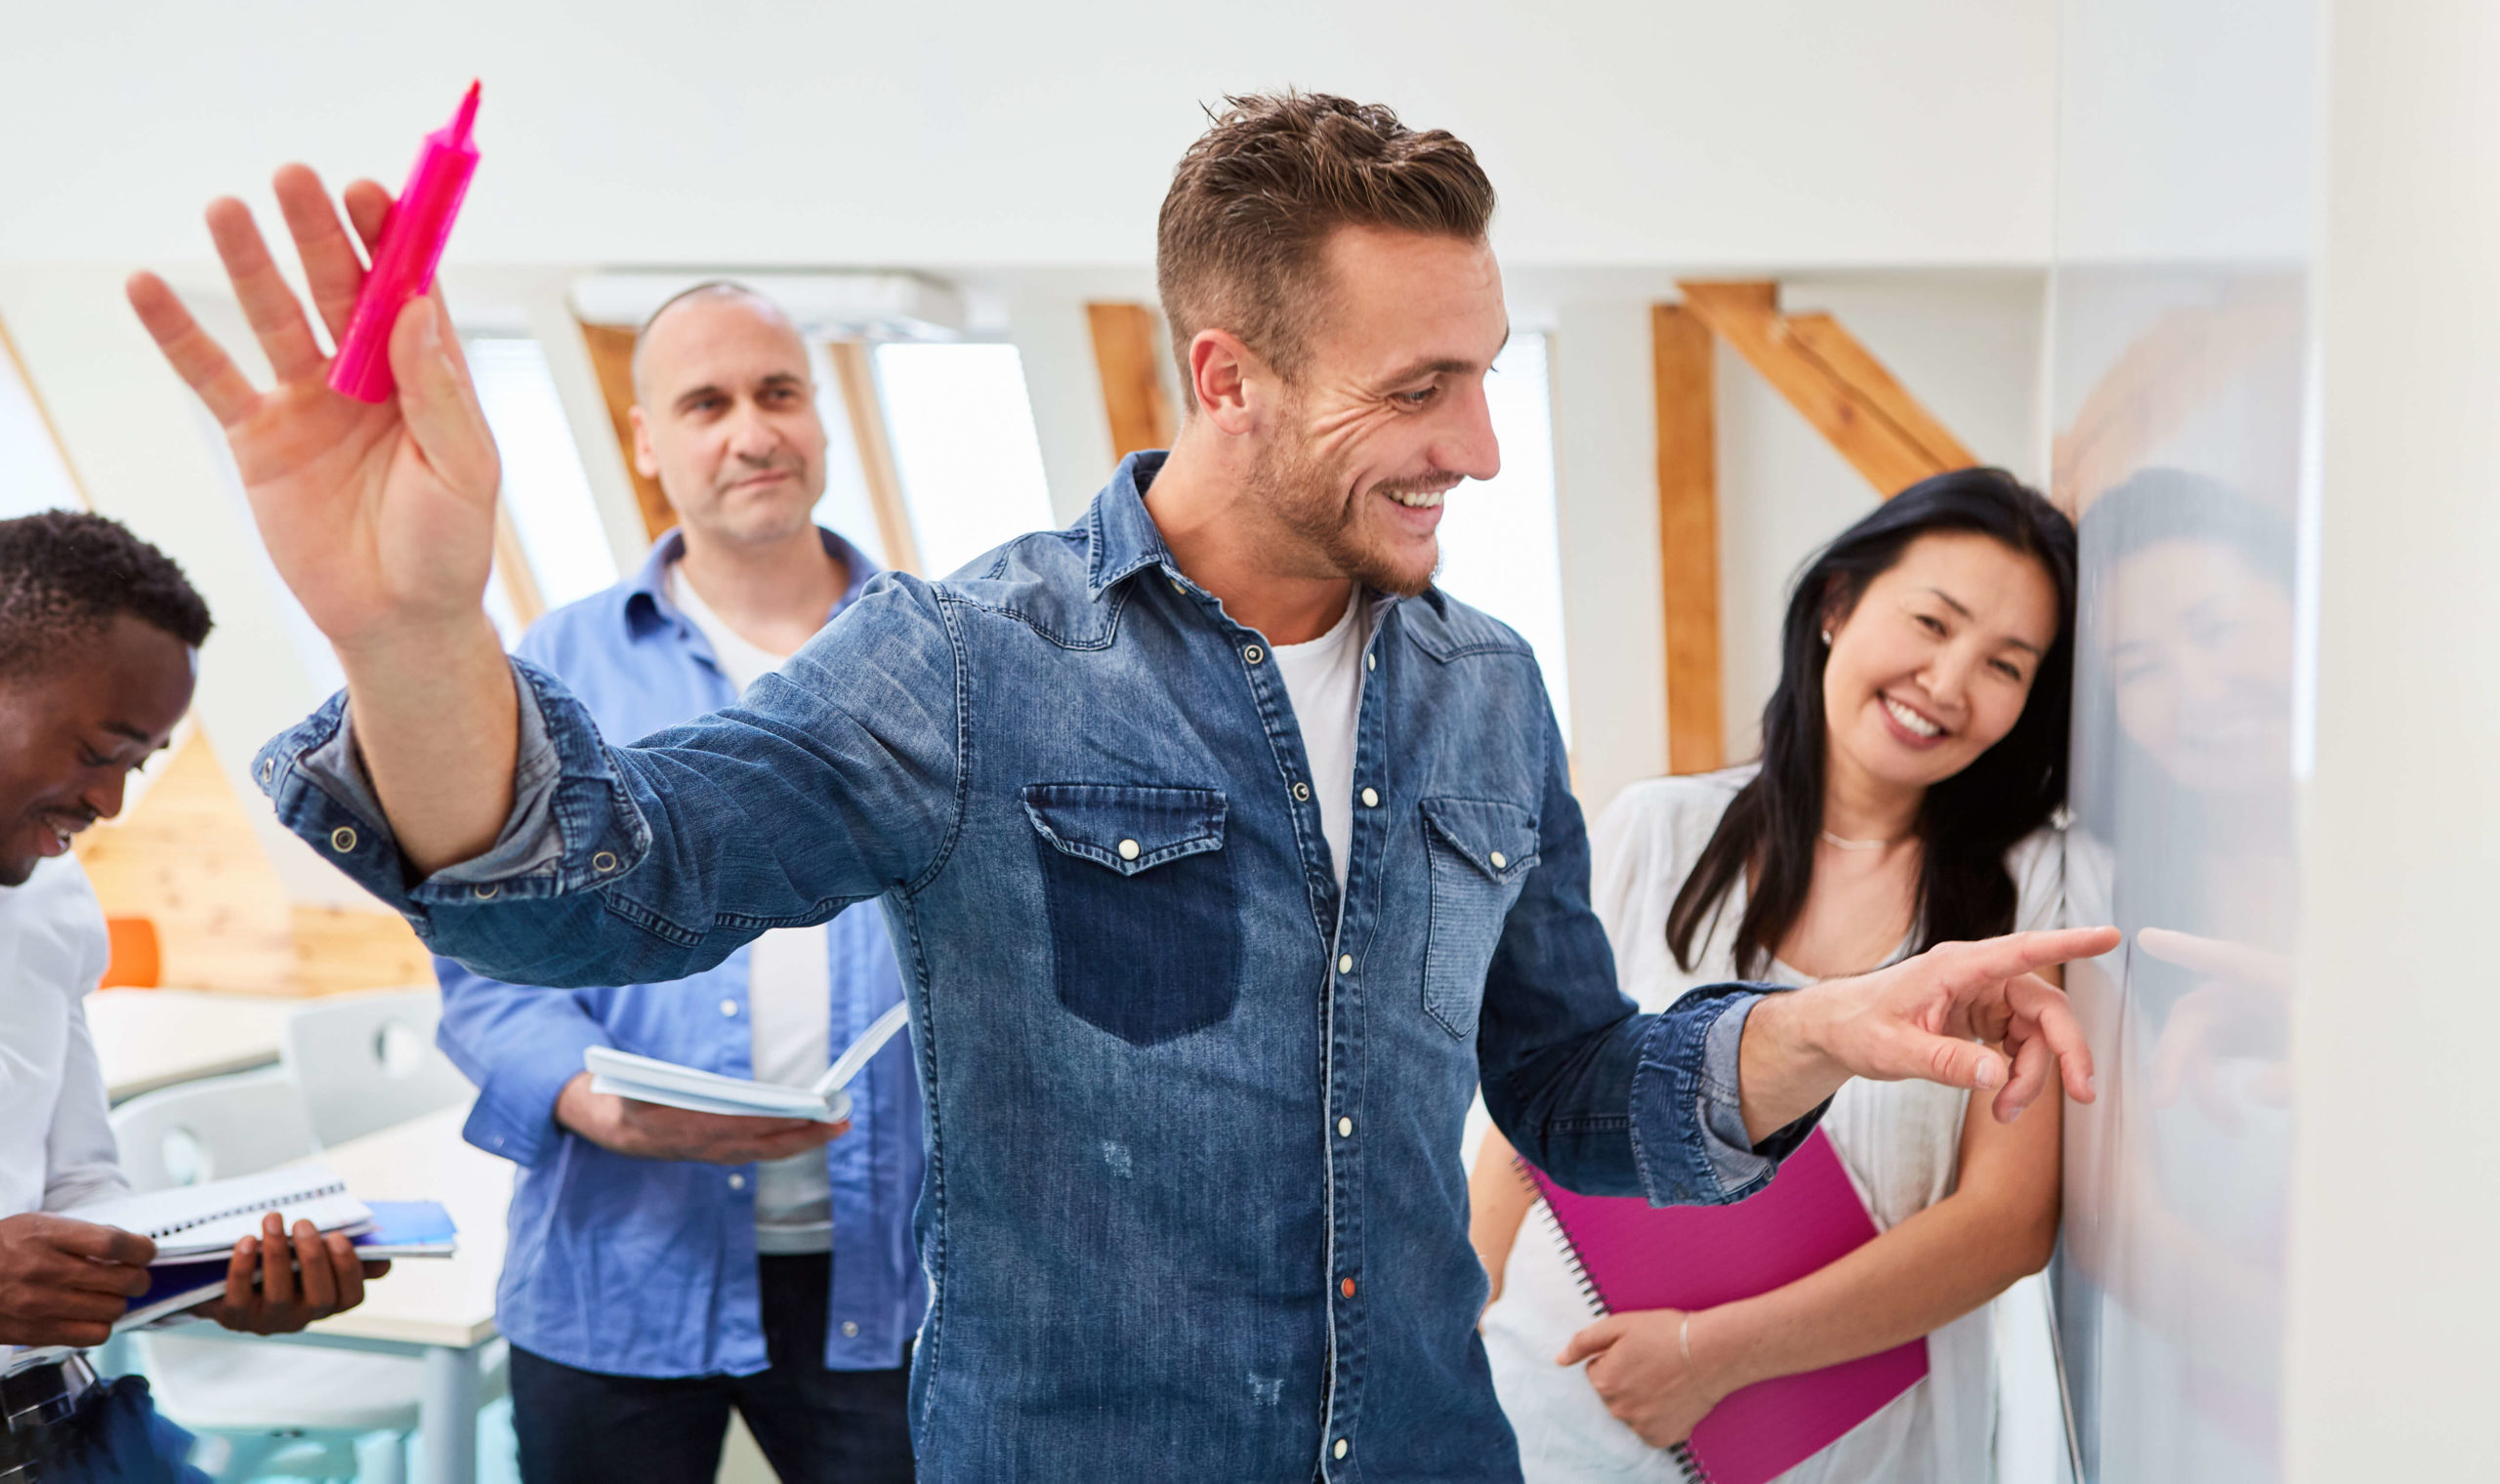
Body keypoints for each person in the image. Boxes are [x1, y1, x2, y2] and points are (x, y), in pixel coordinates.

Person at [130, 94, 2113, 1484]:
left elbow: (1582, 1089)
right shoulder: (967, 664)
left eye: (1486, 372)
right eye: (1419, 386)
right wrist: (408, 637)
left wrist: (1809, 1041)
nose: (1484, 444)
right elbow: (602, 888)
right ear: (1224, 371)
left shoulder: (1488, 692)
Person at [1469, 471, 2079, 1481]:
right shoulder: (1654, 830)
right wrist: (1452, 1335)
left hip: (1849, 1453)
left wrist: (1709, 1358)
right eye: (1931, 622)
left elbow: (2005, 1221)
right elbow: (1529, 1119)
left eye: (2003, 665)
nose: (1947, 681)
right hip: (1551, 1420)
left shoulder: (2030, 895)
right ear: (1837, 605)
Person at [432, 282, 920, 1484]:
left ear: (821, 419)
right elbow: (480, 958)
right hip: (617, 1275)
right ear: (647, 444)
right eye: (705, 404)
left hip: (889, 1277)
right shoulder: (552, 671)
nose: (751, 432)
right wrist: (585, 1099)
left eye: (778, 394)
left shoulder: (937, 658)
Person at [0, 512, 382, 1477]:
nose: (111, 804)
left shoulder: (49, 895)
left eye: (140, 764)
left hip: (58, 1436)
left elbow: (78, 1180)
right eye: (99, 751)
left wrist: (190, 1279)